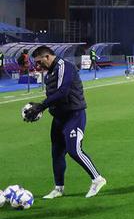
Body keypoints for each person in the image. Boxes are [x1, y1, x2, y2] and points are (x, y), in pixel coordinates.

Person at [24, 45, 108, 199]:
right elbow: (53, 96)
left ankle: (98, 179)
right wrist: (40, 108)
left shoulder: (64, 67)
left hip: (74, 115)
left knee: (74, 150)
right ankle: (58, 188)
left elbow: (63, 92)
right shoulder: (49, 73)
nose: (38, 65)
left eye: (39, 61)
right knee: (56, 153)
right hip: (58, 118)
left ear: (47, 56)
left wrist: (40, 106)